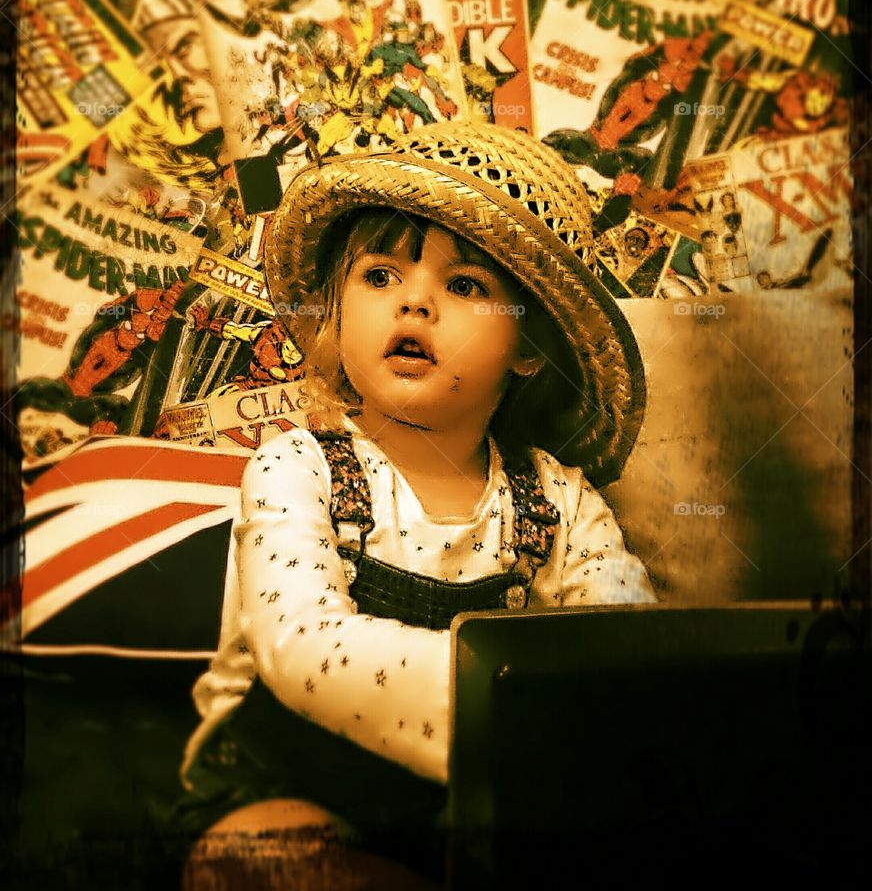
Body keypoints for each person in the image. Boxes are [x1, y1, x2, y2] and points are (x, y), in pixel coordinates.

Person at [169, 123, 656, 889]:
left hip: (477, 810)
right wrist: (525, 709)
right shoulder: (299, 468)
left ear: (529, 348)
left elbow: (629, 657)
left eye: (465, 287)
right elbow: (304, 647)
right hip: (289, 794)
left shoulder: (560, 503)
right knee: (263, 857)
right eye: (381, 276)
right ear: (336, 311)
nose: (416, 303)